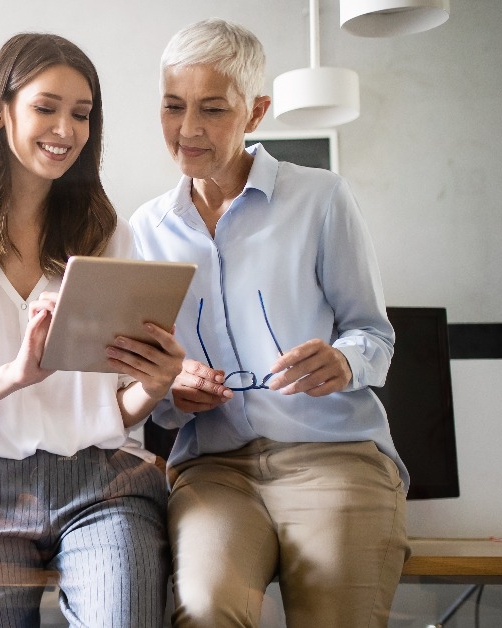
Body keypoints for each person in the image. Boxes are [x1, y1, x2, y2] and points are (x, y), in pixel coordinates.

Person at [0, 32, 184, 627]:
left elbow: (116, 409)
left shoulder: (106, 235)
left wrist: (155, 383)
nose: (65, 130)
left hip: (102, 483)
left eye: (81, 114)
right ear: (2, 110)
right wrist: (15, 376)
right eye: (47, 107)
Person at [128, 18, 409, 627]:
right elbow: (155, 391)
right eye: (173, 107)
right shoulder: (143, 231)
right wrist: (173, 393)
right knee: (204, 611)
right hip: (215, 470)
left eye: (213, 109)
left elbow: (374, 335)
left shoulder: (322, 198)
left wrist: (342, 360)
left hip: (335, 455)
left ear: (255, 112)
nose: (189, 129)